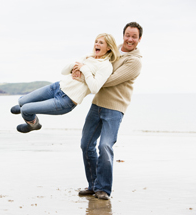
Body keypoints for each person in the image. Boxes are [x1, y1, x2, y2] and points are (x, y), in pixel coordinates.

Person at [77, 22, 143, 200]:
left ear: (139, 39)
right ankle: (93, 185)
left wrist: (87, 75)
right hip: (97, 104)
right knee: (86, 144)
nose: (130, 39)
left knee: (105, 146)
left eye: (134, 37)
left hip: (115, 109)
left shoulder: (134, 62)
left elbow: (108, 80)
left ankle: (103, 189)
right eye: (127, 35)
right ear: (123, 36)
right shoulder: (111, 52)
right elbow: (93, 64)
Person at [10, 33, 119, 133]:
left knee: (25, 109)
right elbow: (63, 71)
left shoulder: (105, 66)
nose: (97, 44)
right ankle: (25, 108)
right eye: (96, 41)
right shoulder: (88, 56)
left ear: (108, 47)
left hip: (65, 101)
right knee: (21, 101)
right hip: (57, 87)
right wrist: (74, 67)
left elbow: (95, 88)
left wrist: (84, 69)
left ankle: (33, 125)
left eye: (101, 43)